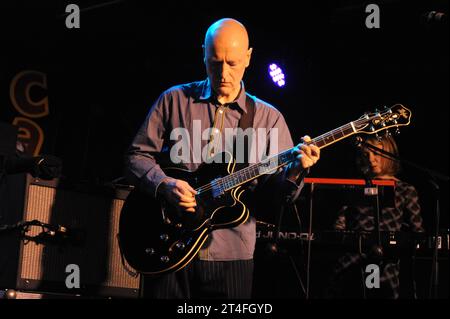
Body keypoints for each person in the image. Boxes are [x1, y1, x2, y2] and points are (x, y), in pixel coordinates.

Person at [124, 18, 320, 299]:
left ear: (249, 58)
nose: (224, 73)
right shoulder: (173, 99)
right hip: (168, 244)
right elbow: (135, 157)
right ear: (203, 52)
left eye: (233, 63)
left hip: (232, 252)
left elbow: (278, 198)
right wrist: (164, 185)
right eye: (215, 62)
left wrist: (295, 170)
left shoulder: (269, 118)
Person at [330, 135, 424, 299]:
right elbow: (339, 225)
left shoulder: (405, 190)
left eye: (376, 154)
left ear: (389, 154)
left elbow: (417, 233)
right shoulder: (355, 187)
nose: (371, 160)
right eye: (366, 155)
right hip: (350, 262)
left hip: (385, 263)